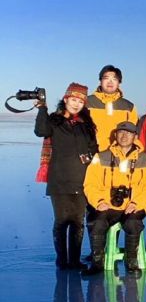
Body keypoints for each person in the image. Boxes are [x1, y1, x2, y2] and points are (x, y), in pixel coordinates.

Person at [34, 83, 99, 269]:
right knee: (62, 221)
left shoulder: (86, 124)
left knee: (78, 222)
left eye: (80, 101)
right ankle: (62, 260)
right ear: (66, 99)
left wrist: (90, 158)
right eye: (73, 100)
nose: (76, 104)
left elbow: (93, 148)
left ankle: (74, 260)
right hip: (60, 179)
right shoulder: (54, 121)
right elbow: (41, 131)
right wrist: (42, 108)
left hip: (82, 179)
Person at [82, 121, 146, 275]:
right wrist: (99, 201)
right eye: (121, 132)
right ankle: (97, 263)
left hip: (133, 205)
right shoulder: (101, 157)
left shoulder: (145, 159)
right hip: (107, 204)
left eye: (129, 133)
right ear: (116, 135)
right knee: (96, 222)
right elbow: (90, 184)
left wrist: (137, 203)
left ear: (135, 137)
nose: (124, 136)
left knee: (133, 223)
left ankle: (131, 262)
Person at [87, 64, 137, 151]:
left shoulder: (129, 107)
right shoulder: (87, 102)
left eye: (114, 79)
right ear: (100, 81)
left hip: (118, 153)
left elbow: (133, 134)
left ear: (119, 83)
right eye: (106, 78)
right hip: (91, 151)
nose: (110, 82)